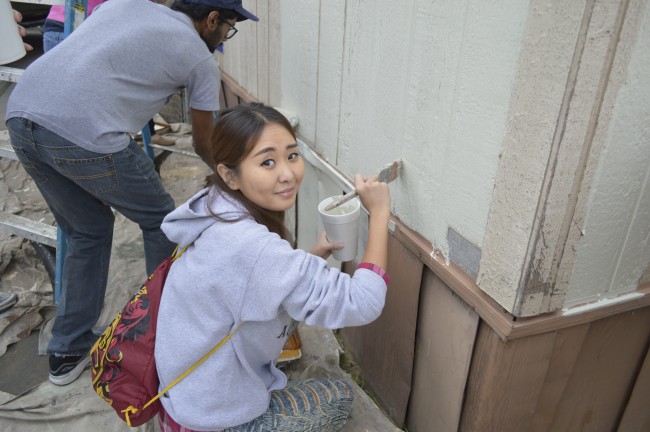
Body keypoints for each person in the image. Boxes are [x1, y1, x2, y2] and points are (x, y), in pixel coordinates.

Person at [5, 0, 258, 386]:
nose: (226, 36)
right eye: (228, 28)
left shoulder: (123, 6)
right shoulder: (199, 59)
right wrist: (238, 183)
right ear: (211, 20)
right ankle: (162, 337)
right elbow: (205, 143)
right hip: (85, 133)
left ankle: (67, 350)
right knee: (162, 221)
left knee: (86, 229)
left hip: (21, 114)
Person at [154, 103, 392, 431]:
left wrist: (312, 257)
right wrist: (379, 214)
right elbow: (363, 301)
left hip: (180, 397)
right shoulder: (254, 249)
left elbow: (259, 278)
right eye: (267, 161)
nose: (287, 173)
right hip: (209, 420)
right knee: (337, 394)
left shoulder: (212, 207)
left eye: (292, 155)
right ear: (229, 174)